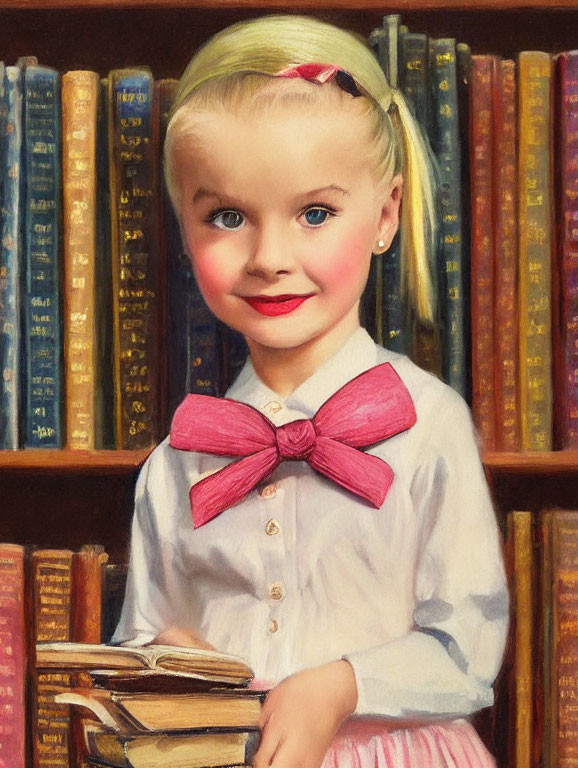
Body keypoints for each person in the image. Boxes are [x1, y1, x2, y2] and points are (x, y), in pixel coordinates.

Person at [113, 14, 508, 768]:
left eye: (315, 214)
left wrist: (341, 686)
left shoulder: (428, 424)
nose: (269, 258)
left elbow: (468, 646)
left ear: (385, 213)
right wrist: (170, 657)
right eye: (226, 217)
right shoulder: (178, 460)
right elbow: (141, 639)